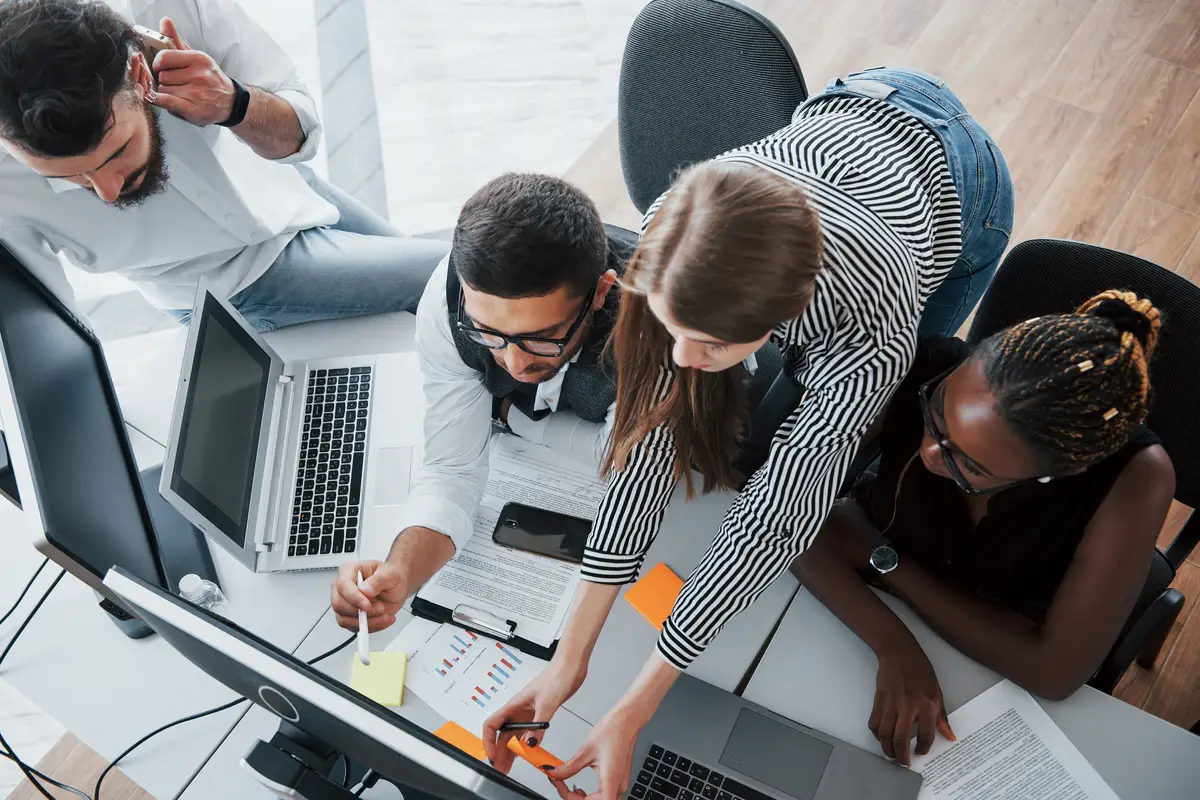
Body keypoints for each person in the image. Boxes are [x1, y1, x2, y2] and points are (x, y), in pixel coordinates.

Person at [483, 68, 1015, 798]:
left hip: (951, 179)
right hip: (849, 105)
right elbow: (649, 438)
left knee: (891, 393)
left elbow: (772, 520)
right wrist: (567, 659)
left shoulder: (872, 319)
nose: (679, 360)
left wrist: (634, 709)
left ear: (776, 321)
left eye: (704, 343)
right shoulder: (675, 224)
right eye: (671, 329)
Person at [794, 291, 1174, 767]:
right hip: (849, 625)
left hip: (990, 685)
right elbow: (785, 518)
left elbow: (1052, 672)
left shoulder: (1136, 478)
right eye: (936, 414)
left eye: (965, 463)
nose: (930, 451)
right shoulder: (925, 362)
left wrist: (881, 557)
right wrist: (893, 644)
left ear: (1052, 475)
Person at [0, 0, 446, 330]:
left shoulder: (171, 8)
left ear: (139, 75)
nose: (108, 191)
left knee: (470, 294)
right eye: (66, 178)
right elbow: (49, 326)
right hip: (225, 286)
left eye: (117, 152)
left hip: (289, 191)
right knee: (461, 285)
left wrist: (234, 103)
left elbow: (300, 134)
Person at [328, 173, 635, 633]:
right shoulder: (449, 298)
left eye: (542, 337)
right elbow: (452, 469)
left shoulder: (654, 337)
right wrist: (401, 571)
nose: (513, 365)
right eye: (487, 332)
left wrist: (511, 416)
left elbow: (618, 460)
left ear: (601, 293)